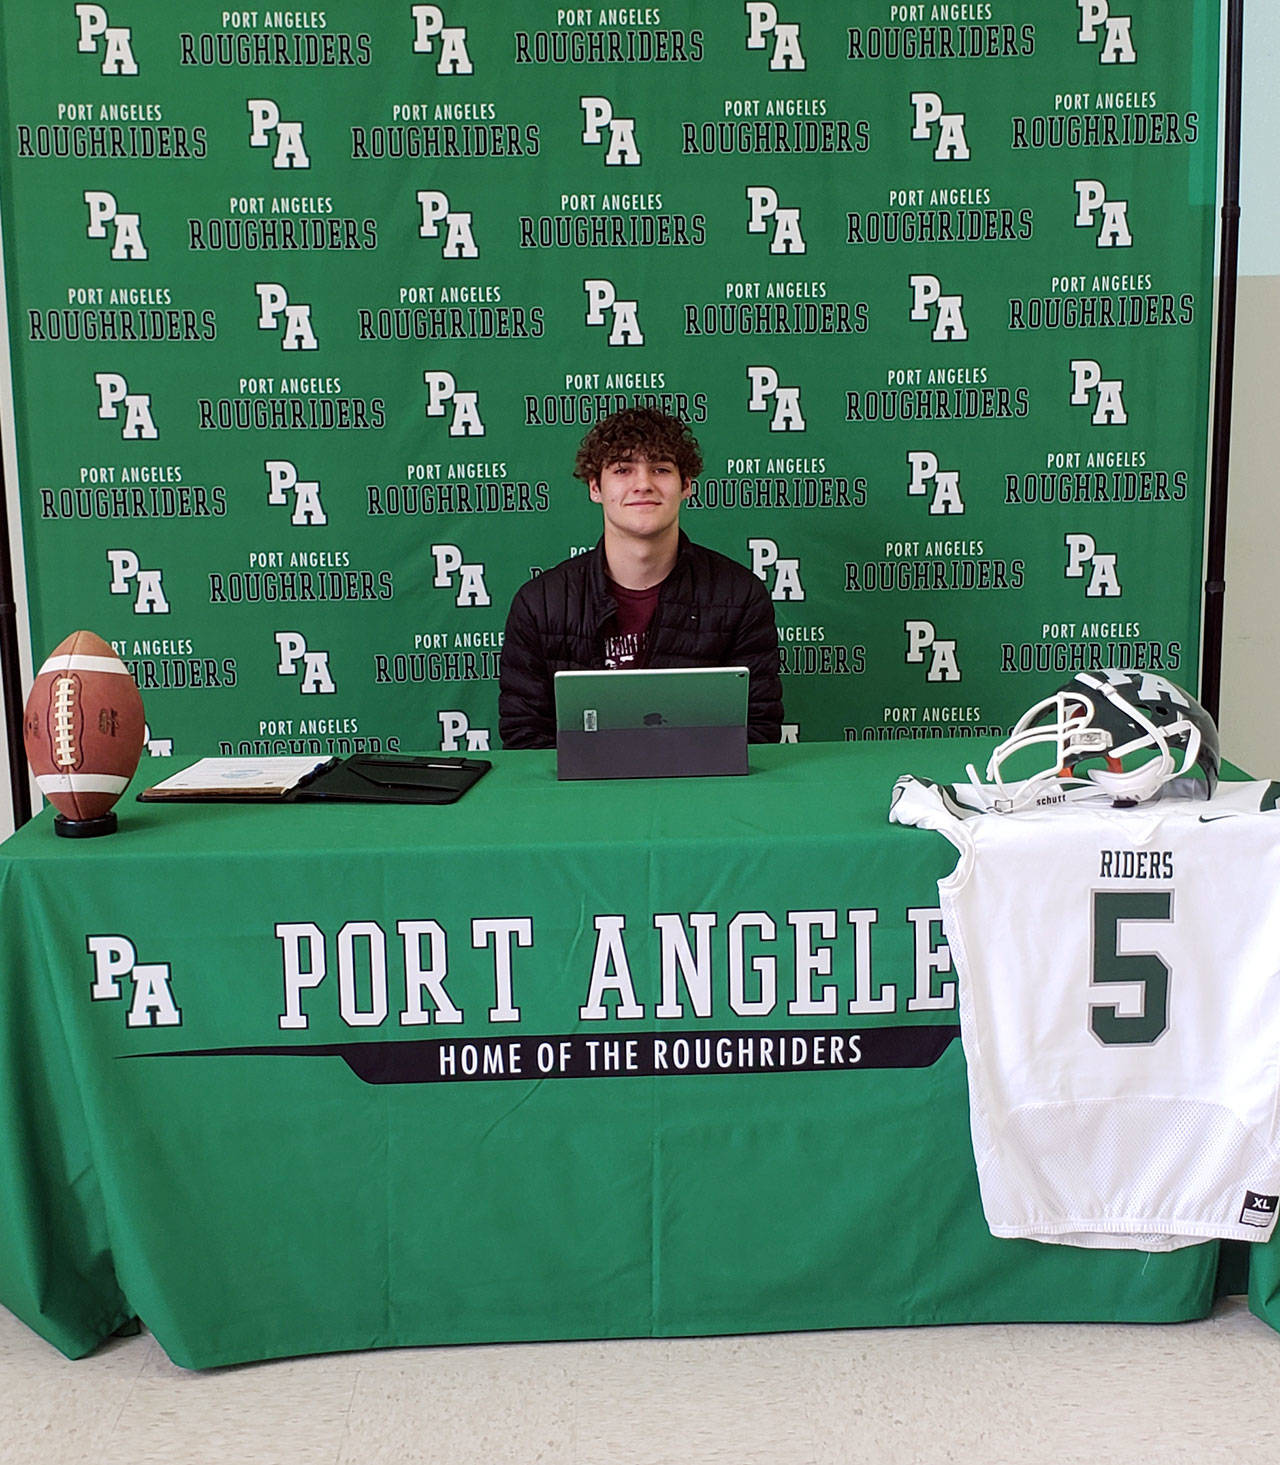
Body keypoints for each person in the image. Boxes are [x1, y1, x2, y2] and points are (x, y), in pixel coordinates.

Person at [498, 407, 784, 749]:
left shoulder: (740, 595)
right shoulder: (539, 604)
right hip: (581, 798)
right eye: (622, 469)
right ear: (595, 487)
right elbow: (525, 737)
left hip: (697, 793)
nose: (643, 484)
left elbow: (757, 730)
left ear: (687, 485)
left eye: (661, 468)